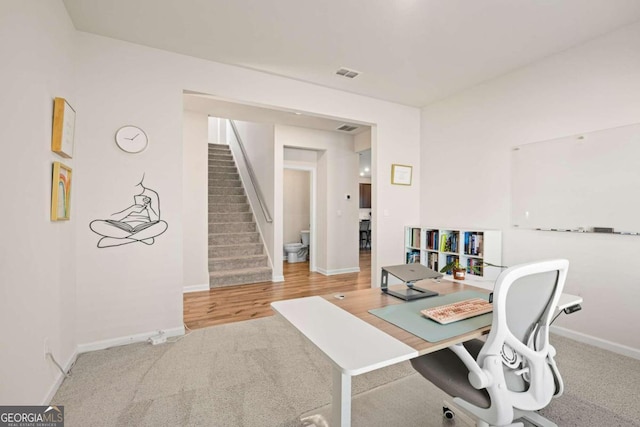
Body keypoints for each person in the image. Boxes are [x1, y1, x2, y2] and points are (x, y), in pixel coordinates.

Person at [89, 175, 168, 248]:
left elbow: (156, 220)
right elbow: (110, 218)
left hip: (144, 226)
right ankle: (141, 238)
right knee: (94, 224)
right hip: (122, 227)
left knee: (163, 224)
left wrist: (149, 208)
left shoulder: (152, 194)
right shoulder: (118, 193)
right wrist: (131, 209)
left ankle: (121, 240)